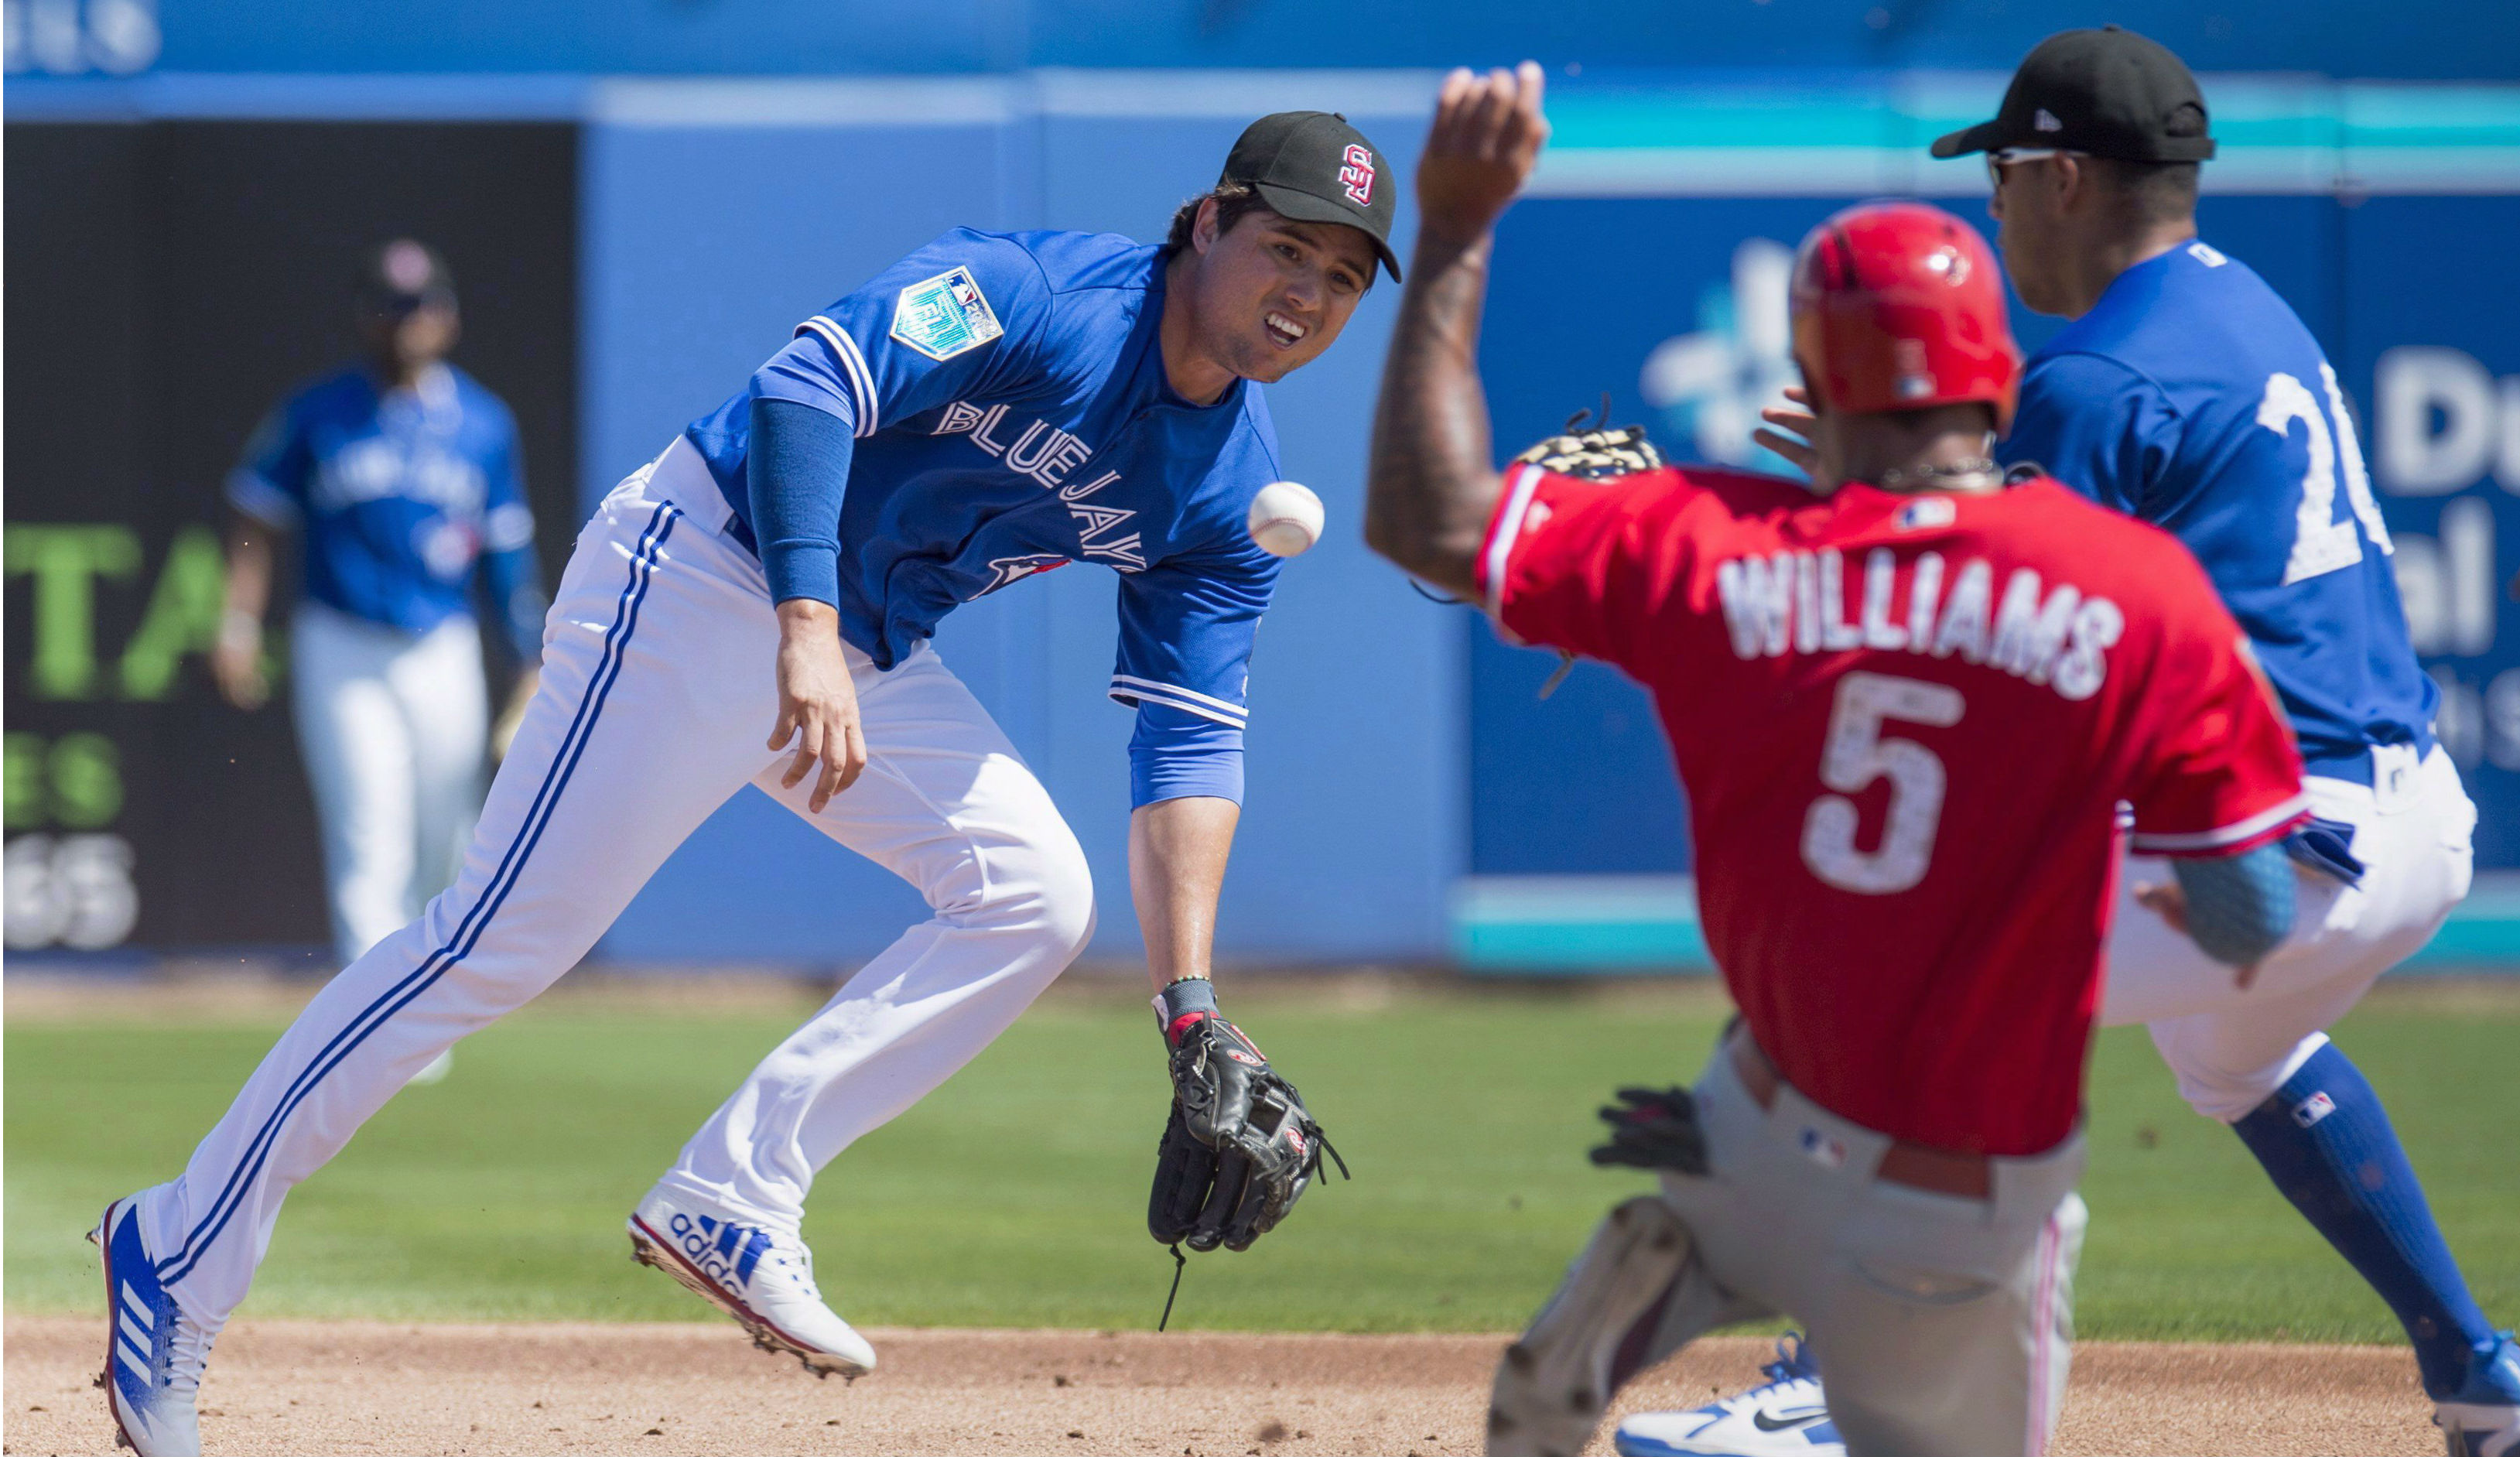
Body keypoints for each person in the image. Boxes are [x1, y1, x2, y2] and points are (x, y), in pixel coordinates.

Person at [94, 111, 1396, 1457]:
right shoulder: (1038, 291)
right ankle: (177, 1247)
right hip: (701, 572)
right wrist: (806, 624)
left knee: (1032, 892)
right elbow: (806, 386)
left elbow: (1187, 743)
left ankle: (737, 1188)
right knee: (494, 945)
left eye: (1343, 276)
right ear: (1204, 221)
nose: (1306, 291)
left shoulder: (1230, 492)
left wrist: (1192, 1006)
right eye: (1285, 246)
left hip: (859, 651)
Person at [1617, 29, 2520, 1457]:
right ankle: (2486, 1376)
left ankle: (1840, 1376)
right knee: (2235, 1054)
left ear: (2061, 177)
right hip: (2408, 818)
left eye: (2001, 177)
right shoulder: (2240, 311)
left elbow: (1980, 642)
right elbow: (2025, 543)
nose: (1993, 212)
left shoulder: (2100, 383)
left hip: (2290, 831)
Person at [1366, 65, 2310, 1457]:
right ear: (1994, 373)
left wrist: (1452, 228)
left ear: (1815, 379)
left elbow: (1428, 518)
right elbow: (2251, 912)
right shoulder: (2136, 590)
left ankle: (1686, 1253)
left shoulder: (1709, 542)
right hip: (1959, 1205)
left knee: (1737, 1144)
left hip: (1748, 1125)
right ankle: (1703, 1254)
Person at [217, 239, 545, 1087]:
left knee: (447, 834)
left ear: (450, 315)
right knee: (368, 830)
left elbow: (507, 554)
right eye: (393, 306)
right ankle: (379, 1032)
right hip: (342, 640)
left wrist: (531, 654)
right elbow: (257, 513)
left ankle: (420, 1004)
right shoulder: (315, 413)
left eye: (423, 304)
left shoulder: (482, 422)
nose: (409, 321)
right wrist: (237, 619)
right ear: (366, 315)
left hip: (441, 641)